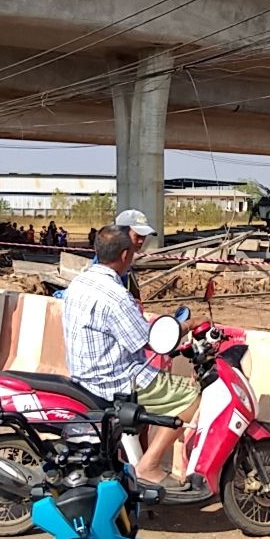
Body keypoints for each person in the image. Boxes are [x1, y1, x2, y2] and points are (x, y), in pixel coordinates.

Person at [62, 225, 198, 487]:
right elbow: (150, 341)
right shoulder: (116, 296)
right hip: (116, 380)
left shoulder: (79, 282)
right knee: (193, 396)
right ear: (125, 254)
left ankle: (136, 464)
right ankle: (149, 465)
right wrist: (188, 325)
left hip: (85, 376)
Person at [112, 209, 156, 301]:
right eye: (138, 236)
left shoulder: (126, 265)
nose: (141, 241)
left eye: (144, 236)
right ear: (120, 234)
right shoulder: (108, 263)